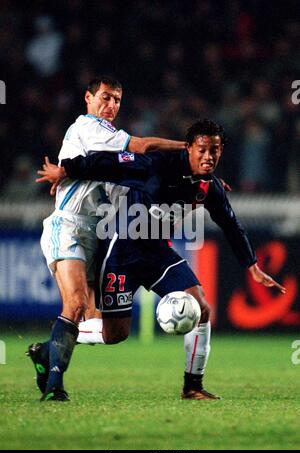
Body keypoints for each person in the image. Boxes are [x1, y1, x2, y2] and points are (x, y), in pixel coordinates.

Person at [37, 119, 286, 400]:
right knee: (115, 334)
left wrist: (251, 266)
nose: (208, 157)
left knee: (201, 307)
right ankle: (52, 346)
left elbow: (231, 225)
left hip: (157, 254)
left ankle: (192, 386)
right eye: (202, 150)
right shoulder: (156, 165)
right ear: (189, 148)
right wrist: (67, 169)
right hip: (123, 253)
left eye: (214, 150)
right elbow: (108, 162)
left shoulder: (210, 188)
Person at [27, 75, 186, 402]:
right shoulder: (89, 127)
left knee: (98, 323)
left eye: (116, 100)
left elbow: (130, 174)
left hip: (96, 234)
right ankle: (55, 387)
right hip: (68, 225)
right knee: (74, 303)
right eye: (105, 97)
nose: (110, 105)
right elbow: (141, 147)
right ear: (88, 98)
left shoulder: (110, 147)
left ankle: (46, 354)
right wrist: (190, 148)